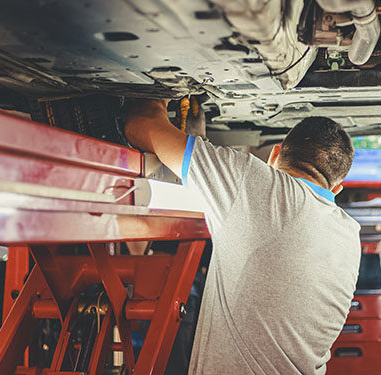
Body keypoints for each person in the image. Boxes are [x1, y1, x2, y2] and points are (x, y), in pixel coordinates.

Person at [124, 99, 361, 375]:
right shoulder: (349, 235)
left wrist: (161, 92)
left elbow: (140, 125)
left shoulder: (253, 181)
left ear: (274, 155)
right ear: (337, 188)